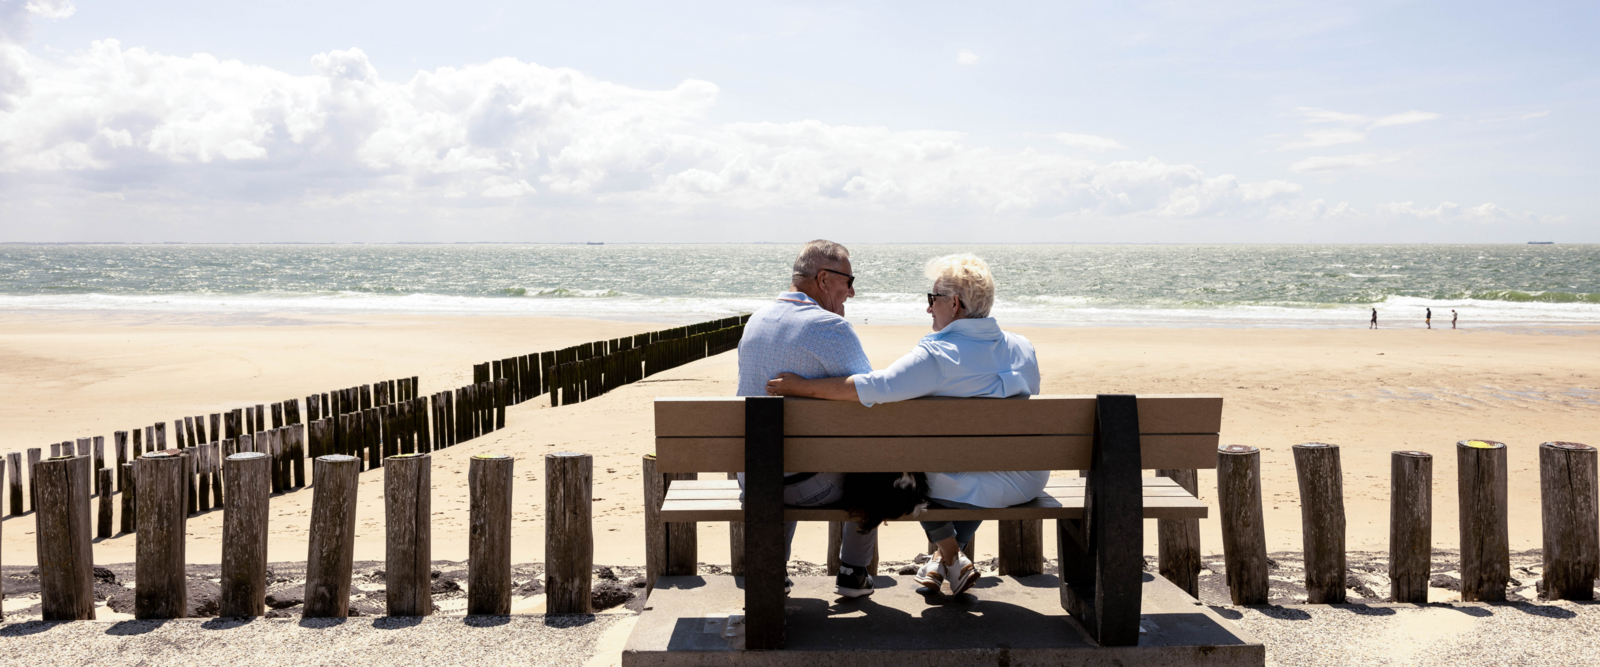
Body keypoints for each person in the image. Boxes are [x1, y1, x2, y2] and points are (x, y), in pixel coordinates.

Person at [767, 254, 1044, 597]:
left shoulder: (937, 355)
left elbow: (873, 387)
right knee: (976, 461)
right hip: (1026, 479)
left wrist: (798, 386)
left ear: (954, 304)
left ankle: (951, 554)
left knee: (894, 467)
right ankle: (945, 562)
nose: (929, 309)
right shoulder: (1024, 348)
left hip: (962, 485)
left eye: (933, 299)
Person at [735, 239, 880, 598]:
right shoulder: (830, 329)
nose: (852, 291)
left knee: (779, 452)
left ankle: (773, 568)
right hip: (810, 487)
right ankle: (853, 571)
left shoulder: (757, 320)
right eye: (849, 281)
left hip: (752, 478)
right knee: (880, 464)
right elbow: (874, 399)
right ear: (825, 278)